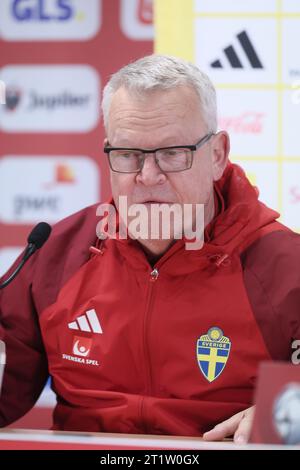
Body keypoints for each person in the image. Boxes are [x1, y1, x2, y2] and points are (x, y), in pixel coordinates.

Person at [0, 55, 299, 444]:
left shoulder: (283, 265)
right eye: (129, 155)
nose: (148, 176)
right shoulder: (59, 252)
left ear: (217, 155)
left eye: (172, 152)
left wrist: (286, 412)